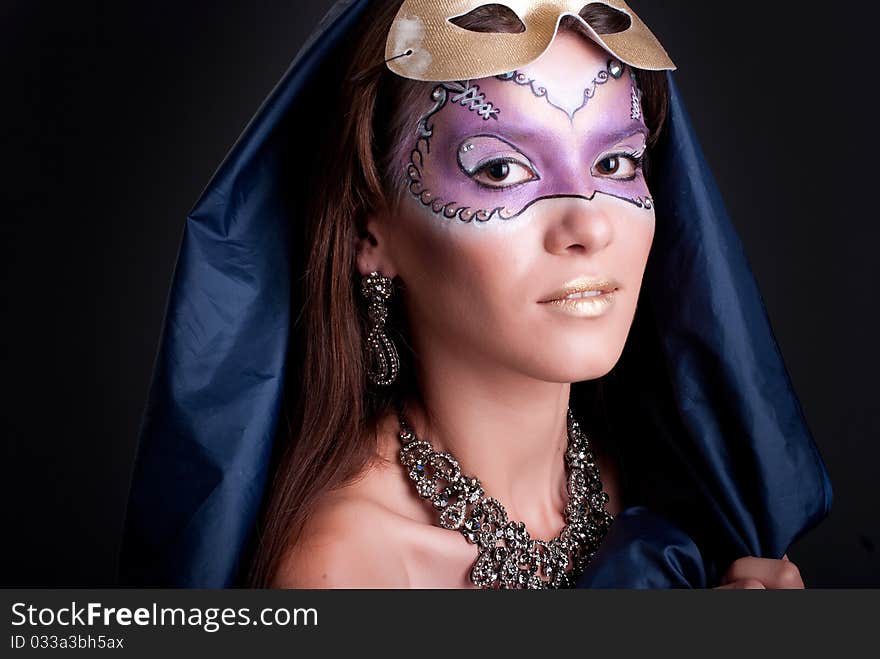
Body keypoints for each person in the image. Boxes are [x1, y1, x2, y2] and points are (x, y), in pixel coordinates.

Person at [119, 0, 832, 590]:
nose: (587, 222)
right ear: (374, 234)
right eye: (499, 169)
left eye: (616, 161)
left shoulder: (689, 492)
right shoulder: (347, 572)